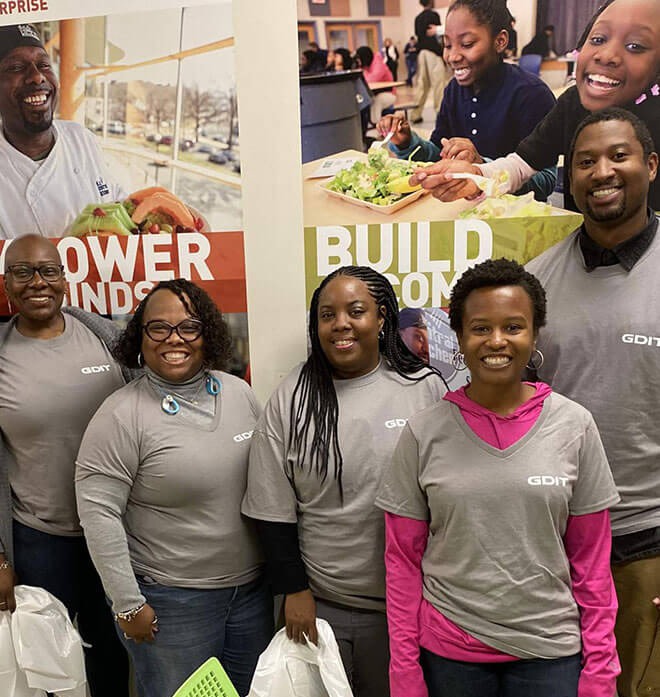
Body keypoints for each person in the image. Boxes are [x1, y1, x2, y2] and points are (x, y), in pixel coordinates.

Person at [377, 257, 621, 697]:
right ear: (459, 335)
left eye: (513, 326)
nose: (497, 341)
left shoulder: (575, 426)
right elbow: (401, 562)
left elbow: (592, 565)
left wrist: (601, 670)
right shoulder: (423, 433)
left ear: (535, 333)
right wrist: (405, 671)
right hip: (451, 655)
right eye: (480, 327)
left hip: (551, 654)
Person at [242, 266, 447, 697]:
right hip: (319, 607)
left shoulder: (424, 389)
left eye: (356, 311)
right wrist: (294, 591)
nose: (340, 325)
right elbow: (272, 507)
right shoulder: (293, 396)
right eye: (326, 314)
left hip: (407, 609)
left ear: (383, 318)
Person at [75, 279, 273, 697]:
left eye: (188, 327)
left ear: (208, 334)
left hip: (250, 596)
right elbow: (98, 514)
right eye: (158, 328)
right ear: (140, 337)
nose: (173, 339)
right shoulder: (121, 415)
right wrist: (128, 603)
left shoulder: (240, 394)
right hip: (173, 605)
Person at [526, 108, 659, 697]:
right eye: (585, 161)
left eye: (619, 156)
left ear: (651, 166)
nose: (602, 171)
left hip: (647, 544)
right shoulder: (533, 285)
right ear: (568, 177)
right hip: (548, 546)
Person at [0, 234, 131, 697]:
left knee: (114, 652)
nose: (38, 282)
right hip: (39, 537)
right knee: (51, 662)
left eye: (48, 271)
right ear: (7, 284)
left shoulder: (108, 339)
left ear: (64, 279)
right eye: (23, 272)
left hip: (116, 535)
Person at [411, 0, 660, 212]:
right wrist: (478, 175)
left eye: (635, 46)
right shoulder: (572, 104)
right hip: (582, 244)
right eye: (597, 39)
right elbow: (521, 164)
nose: (606, 55)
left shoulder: (530, 93)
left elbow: (545, 181)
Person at [378, 0, 557, 201]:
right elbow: (438, 152)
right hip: (465, 212)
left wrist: (481, 168)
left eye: (467, 44)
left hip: (517, 217)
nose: (452, 56)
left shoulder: (531, 94)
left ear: (500, 41)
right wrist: (407, 143)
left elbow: (547, 180)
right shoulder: (453, 90)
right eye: (446, 45)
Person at [0, 24, 124, 239]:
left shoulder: (81, 138)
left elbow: (120, 208)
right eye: (16, 67)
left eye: (44, 64)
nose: (37, 77)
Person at [410, 0, 450, 124]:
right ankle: (440, 112)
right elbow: (437, 37)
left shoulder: (417, 18)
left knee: (422, 84)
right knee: (439, 83)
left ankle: (415, 114)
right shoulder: (434, 15)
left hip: (421, 53)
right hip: (433, 53)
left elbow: (419, 36)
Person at [354, 46, 396, 126]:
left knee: (375, 101)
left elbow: (372, 79)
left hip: (389, 93)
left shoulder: (378, 63)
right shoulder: (367, 65)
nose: (358, 62)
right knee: (364, 101)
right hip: (375, 93)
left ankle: (378, 126)